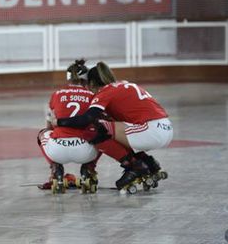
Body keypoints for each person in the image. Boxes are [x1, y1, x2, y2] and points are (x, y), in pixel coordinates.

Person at [53, 61, 173, 192]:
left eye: (87, 84)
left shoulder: (105, 92)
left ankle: (134, 167)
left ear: (92, 83)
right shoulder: (123, 84)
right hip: (164, 127)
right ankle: (149, 164)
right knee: (109, 126)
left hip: (150, 131)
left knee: (93, 130)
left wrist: (59, 122)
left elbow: (86, 119)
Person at [37, 59, 100, 194]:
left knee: (42, 134)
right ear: (86, 79)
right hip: (85, 151)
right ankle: (89, 168)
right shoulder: (92, 96)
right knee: (102, 133)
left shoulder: (56, 94)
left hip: (58, 151)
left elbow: (49, 126)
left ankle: (56, 169)